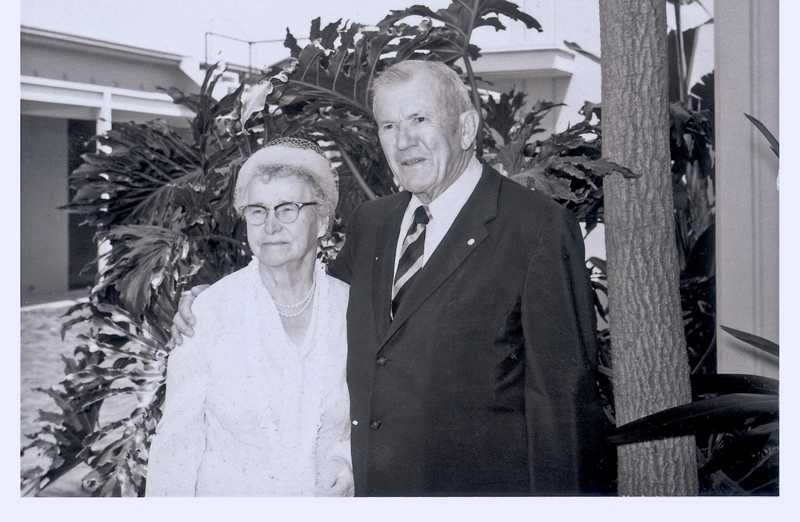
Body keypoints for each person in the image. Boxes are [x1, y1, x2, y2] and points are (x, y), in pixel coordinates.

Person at [174, 60, 606, 496]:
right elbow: (314, 299)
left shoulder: (536, 230)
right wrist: (211, 300)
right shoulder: (374, 222)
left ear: (466, 127)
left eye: (420, 119)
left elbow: (564, 410)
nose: (404, 141)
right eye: (388, 125)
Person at [147, 138, 353, 497]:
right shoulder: (209, 313)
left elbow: (378, 419)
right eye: (257, 211)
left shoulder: (354, 308)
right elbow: (175, 451)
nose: (270, 225)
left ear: (321, 221)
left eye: (287, 208)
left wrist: (348, 461)